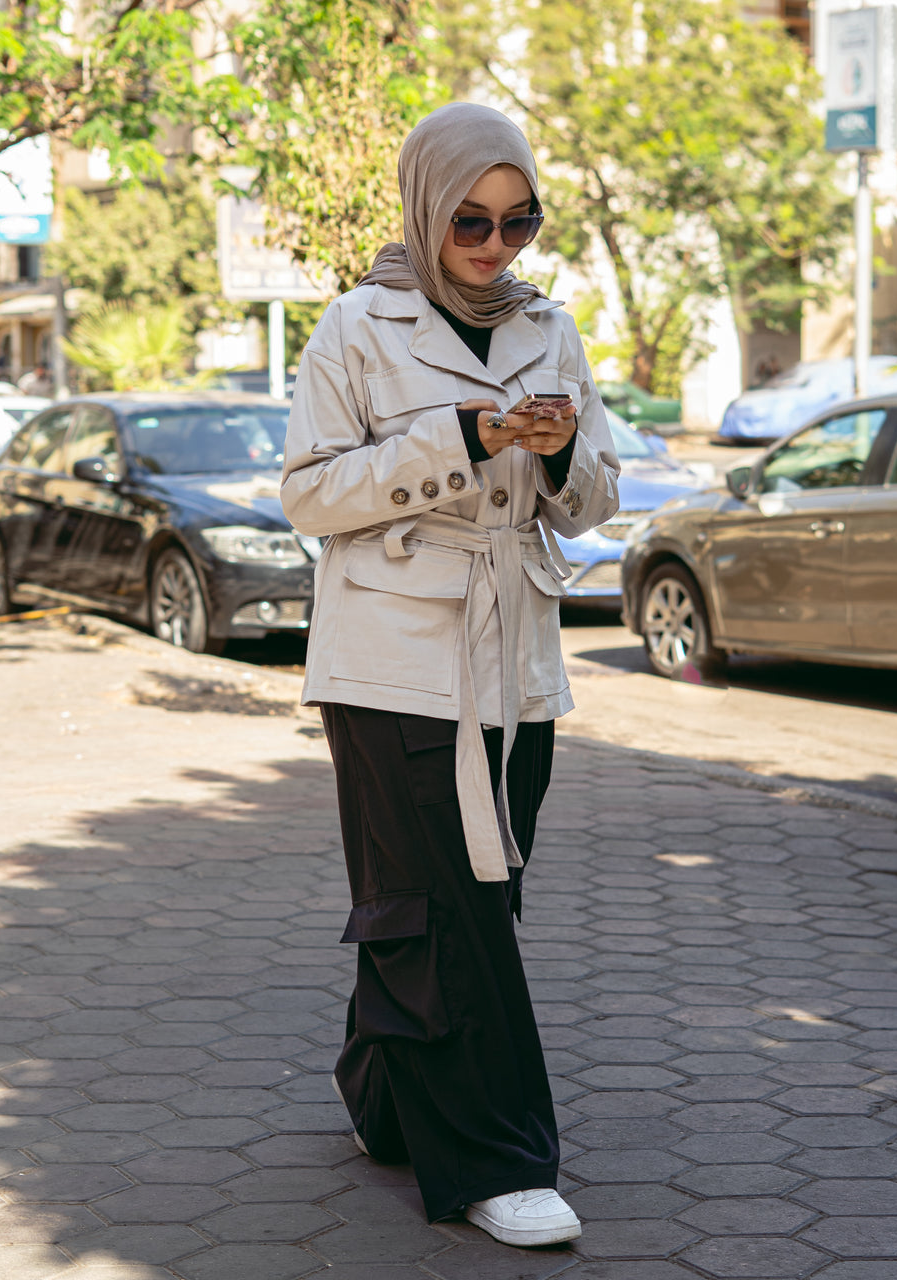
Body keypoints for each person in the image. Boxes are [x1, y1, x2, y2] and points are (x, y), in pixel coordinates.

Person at [281, 101, 620, 1248]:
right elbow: (309, 495)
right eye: (470, 221)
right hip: (392, 661)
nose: (492, 246)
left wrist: (558, 443)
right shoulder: (355, 328)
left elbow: (598, 495)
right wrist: (462, 440)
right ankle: (495, 1153)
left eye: (518, 222)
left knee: (475, 899)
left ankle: (383, 1092)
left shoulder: (550, 329)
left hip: (516, 657)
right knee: (445, 906)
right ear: (429, 208)